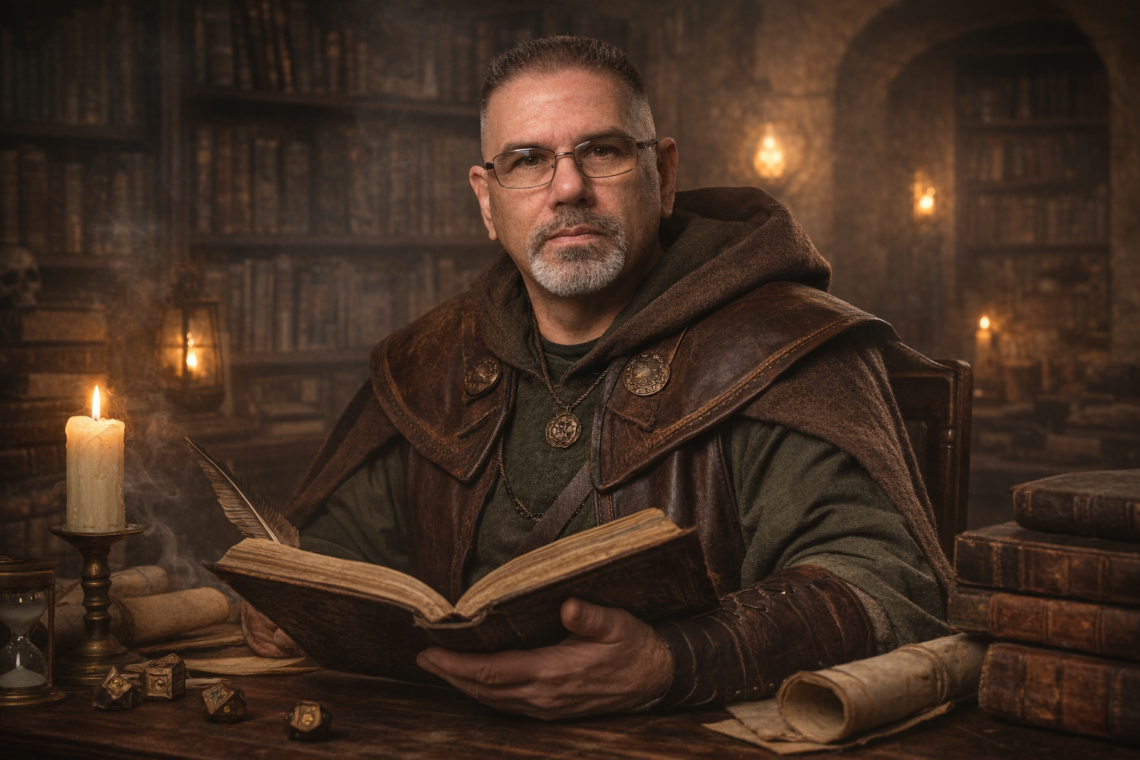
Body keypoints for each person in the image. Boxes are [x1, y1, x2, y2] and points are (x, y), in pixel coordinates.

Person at [244, 36, 952, 720]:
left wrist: (674, 662)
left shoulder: (782, 344)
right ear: (488, 201)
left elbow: (881, 580)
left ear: (663, 174)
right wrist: (293, 605)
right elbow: (339, 556)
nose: (568, 188)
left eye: (603, 151)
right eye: (526, 160)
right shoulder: (428, 365)